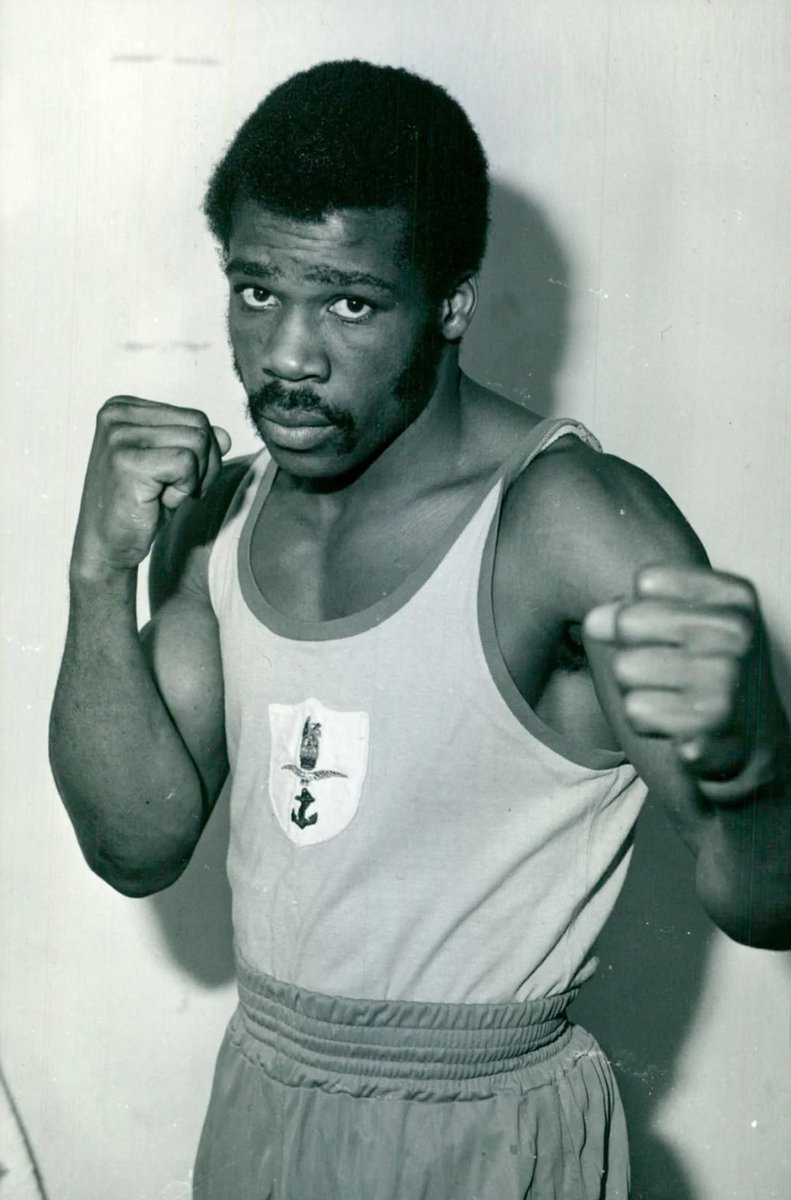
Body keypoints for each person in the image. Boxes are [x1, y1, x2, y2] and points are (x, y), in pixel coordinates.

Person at [49, 60, 790, 1199]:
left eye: (347, 301)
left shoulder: (569, 526)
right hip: (261, 1106)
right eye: (256, 292)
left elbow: (769, 905)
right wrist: (99, 575)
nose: (287, 357)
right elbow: (135, 847)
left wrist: (751, 768)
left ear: (450, 302)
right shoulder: (220, 515)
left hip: (485, 1138)